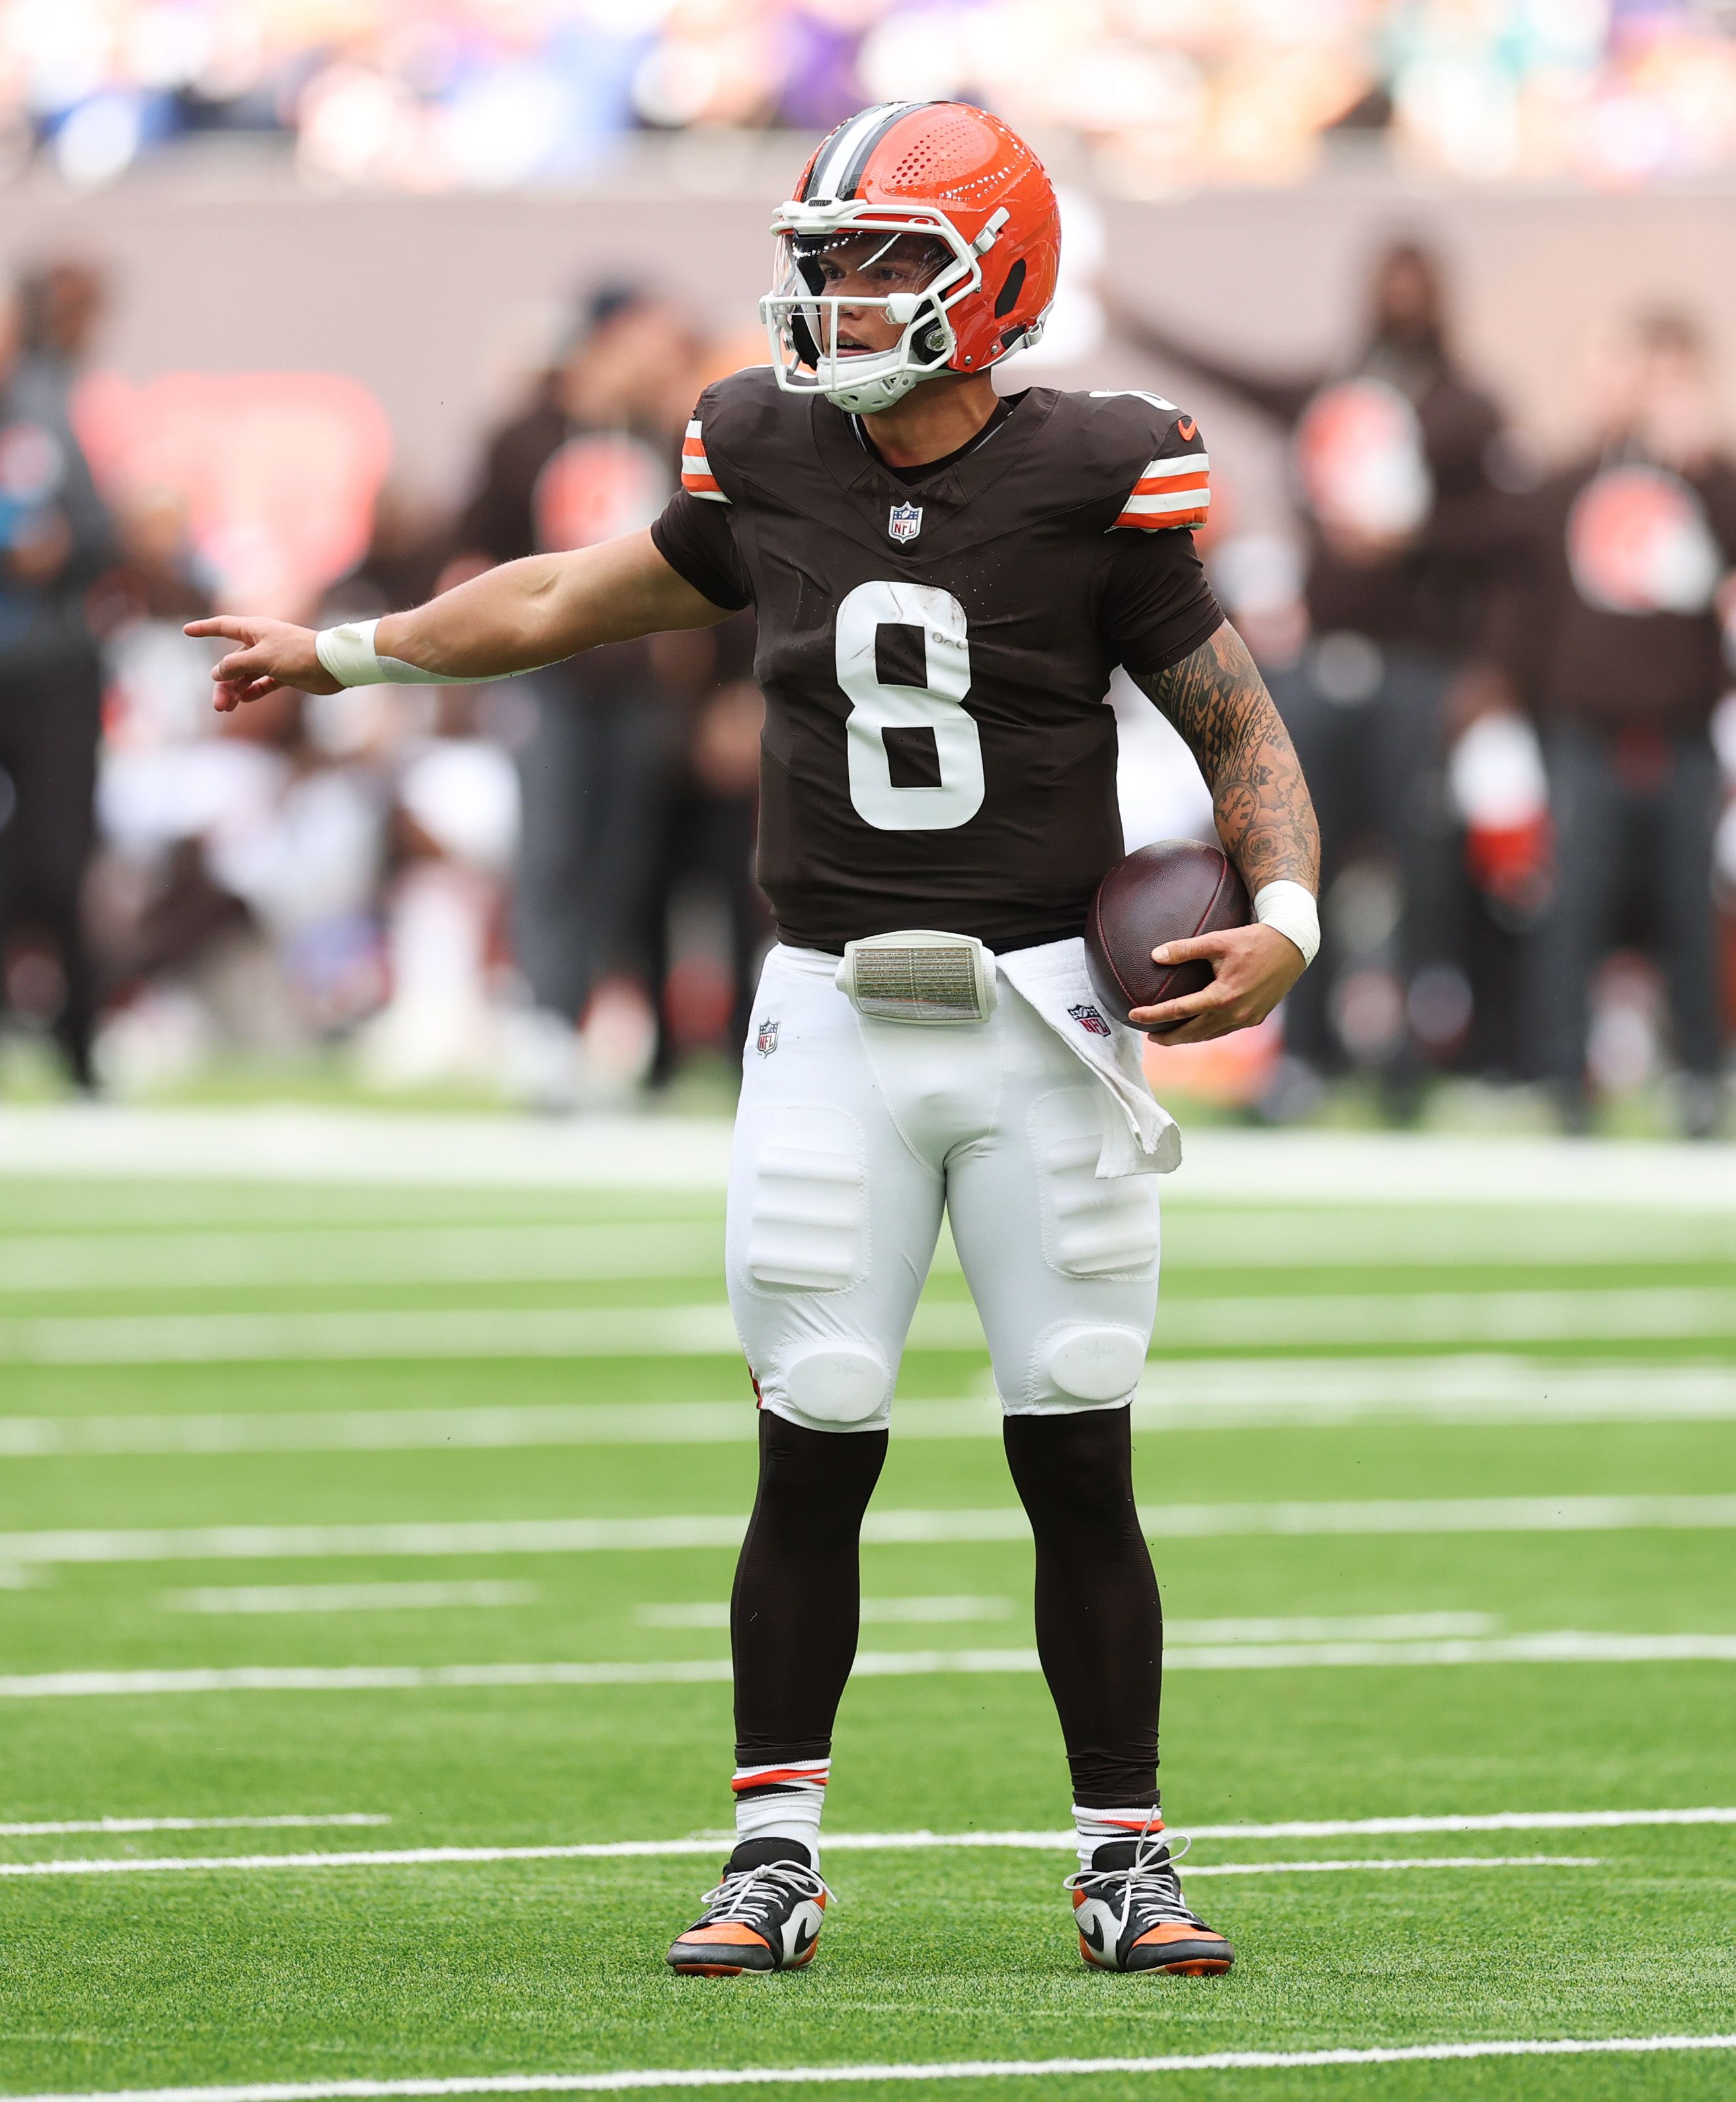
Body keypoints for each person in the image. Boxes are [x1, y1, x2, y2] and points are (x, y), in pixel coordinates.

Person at [188, 101, 1320, 1980]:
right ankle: (771, 1850)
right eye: (827, 259)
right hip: (829, 1011)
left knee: (1078, 1437)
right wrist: (350, 648)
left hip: (1040, 1012)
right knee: (815, 1431)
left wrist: (1286, 915)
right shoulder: (764, 448)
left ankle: (1124, 1853)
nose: (838, 296)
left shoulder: (1097, 472)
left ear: (996, 283)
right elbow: (568, 595)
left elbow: (1236, 727)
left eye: (882, 261)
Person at [1117, 240, 1506, 1107]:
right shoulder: (1338, 384)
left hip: (1418, 667)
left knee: (1418, 862)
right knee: (1295, 853)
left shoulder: (1466, 407)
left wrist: (1420, 541)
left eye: (1416, 285)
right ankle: (1307, 1053)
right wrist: (1131, 321)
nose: (1401, 299)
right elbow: (1238, 378)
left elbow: (1508, 533)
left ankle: (1410, 1057)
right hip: (1325, 663)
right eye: (1390, 283)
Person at [1478, 309, 1736, 1137]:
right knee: (1574, 909)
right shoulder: (1567, 483)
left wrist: (1704, 464)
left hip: (1681, 734)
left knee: (1689, 911)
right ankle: (1564, 1077)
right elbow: (1523, 594)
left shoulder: (1703, 483)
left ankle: (1698, 1074)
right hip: (1585, 733)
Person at [448, 286, 705, 1103]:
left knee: (621, 861)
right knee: (551, 846)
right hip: (546, 675)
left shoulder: (668, 437)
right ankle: (547, 1023)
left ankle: (591, 1017)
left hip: (636, 682)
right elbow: (471, 551)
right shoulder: (527, 436)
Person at [0, 260, 114, 1090]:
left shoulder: (48, 409)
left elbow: (100, 529)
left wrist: (65, 546)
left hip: (52, 667)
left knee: (62, 861)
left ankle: (78, 1046)